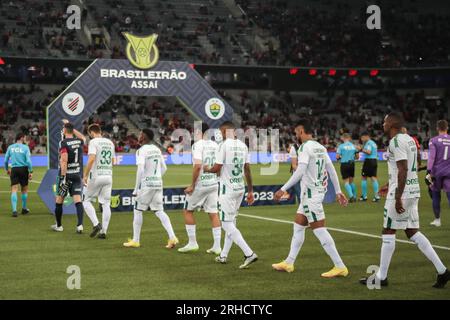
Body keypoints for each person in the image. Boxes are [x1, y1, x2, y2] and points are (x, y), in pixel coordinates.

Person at [360, 112, 449, 288]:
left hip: (403, 192)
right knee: (412, 231)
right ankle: (443, 271)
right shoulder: (409, 139)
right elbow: (407, 167)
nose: (383, 124)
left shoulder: (396, 141)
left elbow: (403, 169)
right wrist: (390, 183)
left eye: (385, 121)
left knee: (388, 230)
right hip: (413, 189)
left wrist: (398, 196)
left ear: (392, 124)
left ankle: (381, 277)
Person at [272, 121, 349, 277]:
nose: (295, 136)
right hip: (316, 193)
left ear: (301, 131)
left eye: (296, 133)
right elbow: (331, 170)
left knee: (320, 230)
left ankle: (340, 266)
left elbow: (300, 171)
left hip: (310, 196)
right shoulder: (321, 147)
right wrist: (338, 191)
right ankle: (289, 262)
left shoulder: (305, 147)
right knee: (298, 226)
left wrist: (283, 189)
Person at [203, 121, 258, 269]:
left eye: (221, 131)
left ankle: (249, 253)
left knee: (226, 224)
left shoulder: (223, 145)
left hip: (227, 189)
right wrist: (251, 190)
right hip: (240, 188)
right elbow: (247, 169)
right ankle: (223, 255)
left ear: (226, 131)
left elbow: (217, 168)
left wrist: (207, 169)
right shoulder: (243, 146)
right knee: (231, 223)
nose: (220, 134)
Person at [123, 129, 178, 248]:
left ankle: (136, 240)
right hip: (158, 183)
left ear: (145, 137)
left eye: (141, 134)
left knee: (137, 210)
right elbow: (164, 168)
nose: (139, 136)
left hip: (146, 185)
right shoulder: (156, 149)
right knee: (159, 211)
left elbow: (141, 169)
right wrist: (156, 178)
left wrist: (136, 188)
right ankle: (172, 237)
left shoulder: (141, 151)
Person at [178, 123, 222, 254]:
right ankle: (217, 246)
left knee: (187, 210)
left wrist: (192, 185)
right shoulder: (215, 145)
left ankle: (192, 243)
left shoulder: (197, 145)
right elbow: (219, 165)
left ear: (199, 132)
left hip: (201, 184)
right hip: (213, 183)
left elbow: (197, 166)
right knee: (213, 213)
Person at [82, 124, 115, 239]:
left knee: (86, 200)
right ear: (100, 131)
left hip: (96, 176)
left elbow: (91, 159)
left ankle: (96, 224)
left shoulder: (93, 142)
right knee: (106, 204)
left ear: (91, 133)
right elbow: (113, 161)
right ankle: (104, 232)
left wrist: (85, 175)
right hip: (108, 176)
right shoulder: (110, 143)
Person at [52, 121, 86, 233]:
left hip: (66, 175)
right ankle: (80, 225)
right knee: (78, 200)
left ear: (65, 130)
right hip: (77, 175)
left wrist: (63, 177)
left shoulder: (63, 143)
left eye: (63, 128)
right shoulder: (79, 141)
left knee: (59, 200)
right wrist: (71, 127)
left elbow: (64, 160)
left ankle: (59, 225)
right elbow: (83, 137)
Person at [427, 120, 450, 227]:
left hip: (437, 172)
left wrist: (429, 171)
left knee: (436, 195)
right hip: (448, 172)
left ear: (437, 128)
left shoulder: (433, 140)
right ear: (447, 128)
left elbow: (432, 157)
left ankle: (437, 220)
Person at [4, 133, 32, 217]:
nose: (25, 138)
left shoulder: (10, 147)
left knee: (14, 189)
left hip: (14, 169)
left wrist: (7, 169)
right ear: (21, 138)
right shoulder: (25, 147)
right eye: (24, 137)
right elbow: (28, 161)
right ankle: (24, 209)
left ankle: (14, 211)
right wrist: (31, 171)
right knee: (24, 190)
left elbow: (5, 161)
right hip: (23, 169)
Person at [357, 132, 380, 202]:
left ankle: (364, 196)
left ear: (366, 136)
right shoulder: (373, 143)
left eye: (362, 138)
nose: (362, 139)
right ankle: (376, 196)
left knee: (364, 178)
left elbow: (369, 152)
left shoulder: (369, 143)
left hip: (369, 161)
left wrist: (361, 149)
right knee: (374, 178)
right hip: (374, 161)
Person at [336, 133, 359, 202]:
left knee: (346, 181)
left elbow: (337, 157)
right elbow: (357, 157)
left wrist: (341, 157)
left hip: (344, 164)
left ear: (343, 138)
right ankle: (354, 196)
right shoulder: (354, 146)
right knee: (351, 181)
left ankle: (351, 197)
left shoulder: (341, 146)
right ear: (349, 138)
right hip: (352, 164)